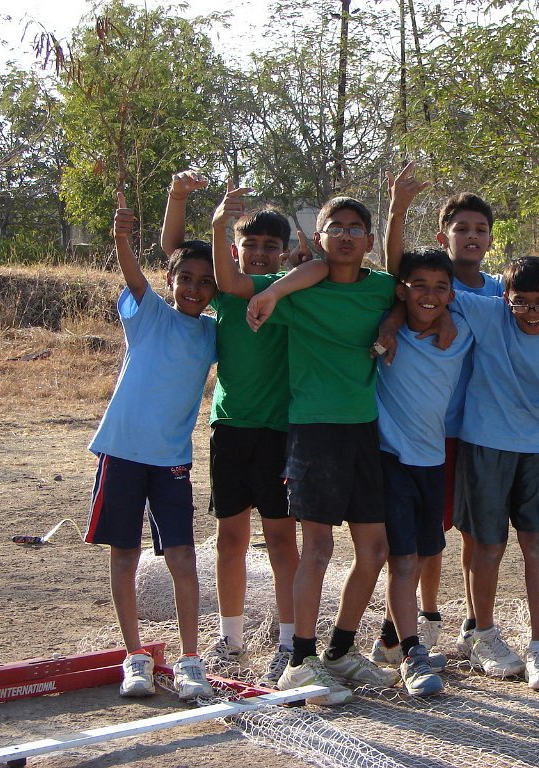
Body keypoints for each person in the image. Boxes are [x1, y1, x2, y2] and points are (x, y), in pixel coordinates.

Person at [384, 162, 539, 657]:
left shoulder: (498, 292)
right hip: (431, 428)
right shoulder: (436, 285)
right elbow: (400, 283)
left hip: (481, 431)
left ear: (491, 239)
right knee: (430, 535)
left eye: (480, 229)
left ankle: (476, 626)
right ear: (443, 236)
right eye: (462, 228)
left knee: (477, 536)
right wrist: (397, 213)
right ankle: (413, 625)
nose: (471, 236)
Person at [162, 171, 325, 686]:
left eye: (270, 246)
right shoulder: (226, 290)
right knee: (229, 538)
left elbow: (323, 268)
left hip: (279, 433)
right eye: (249, 244)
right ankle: (230, 637)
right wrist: (191, 205)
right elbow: (174, 252)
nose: (259, 253)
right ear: (234, 249)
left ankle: (288, 642)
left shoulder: (291, 292)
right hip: (230, 429)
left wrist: (307, 256)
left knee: (280, 539)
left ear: (283, 252)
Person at [243, 195, 401, 705]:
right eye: (337, 227)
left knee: (374, 551)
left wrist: (392, 323)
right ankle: (300, 663)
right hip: (313, 430)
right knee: (318, 548)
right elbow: (239, 284)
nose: (347, 235)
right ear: (319, 238)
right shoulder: (297, 291)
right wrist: (278, 286)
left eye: (356, 228)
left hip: (364, 430)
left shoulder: (381, 287)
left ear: (369, 241)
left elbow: (404, 294)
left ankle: (339, 652)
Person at [86, 190, 218, 702]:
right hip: (122, 452)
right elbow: (133, 273)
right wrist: (122, 236)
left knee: (182, 557)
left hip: (171, 462)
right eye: (186, 278)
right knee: (125, 555)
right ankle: (135, 656)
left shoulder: (212, 333)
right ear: (170, 279)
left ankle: (190, 660)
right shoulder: (148, 313)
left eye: (205, 281)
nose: (194, 288)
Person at [450, 255, 539, 691]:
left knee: (538, 544)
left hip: (538, 448)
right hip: (484, 443)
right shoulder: (488, 312)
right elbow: (422, 287)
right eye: (521, 301)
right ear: (504, 297)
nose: (532, 312)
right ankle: (483, 634)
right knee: (488, 546)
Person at [372, 247, 474, 696]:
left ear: (451, 294)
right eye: (419, 286)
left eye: (440, 288)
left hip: (433, 460)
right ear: (402, 291)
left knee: (428, 551)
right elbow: (390, 279)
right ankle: (413, 656)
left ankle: (388, 641)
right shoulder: (383, 332)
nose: (429, 295)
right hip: (389, 458)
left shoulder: (462, 331)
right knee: (403, 559)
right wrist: (392, 321)